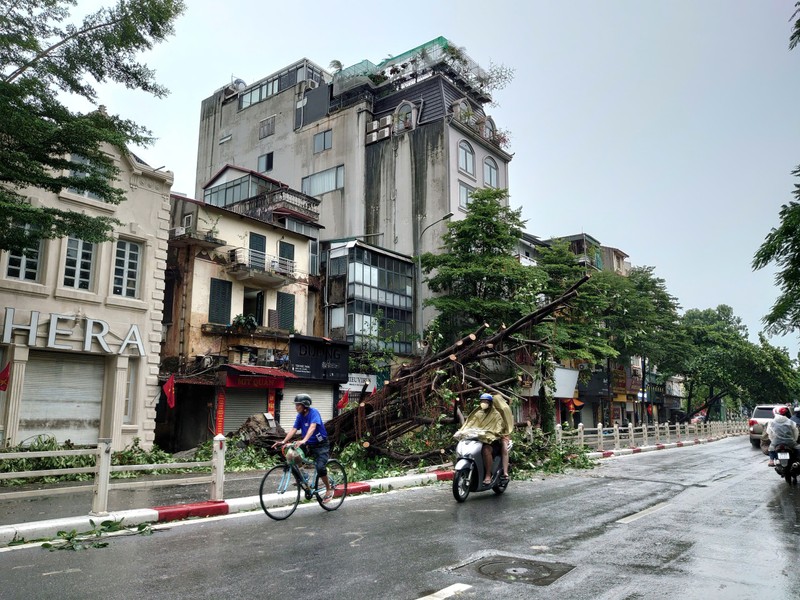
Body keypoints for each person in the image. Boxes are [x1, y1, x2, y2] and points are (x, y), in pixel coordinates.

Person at [273, 394, 333, 502]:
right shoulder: (300, 416)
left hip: (321, 445)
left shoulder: (314, 413)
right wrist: (283, 441)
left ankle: (329, 489)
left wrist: (304, 440)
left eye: (298, 405)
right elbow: (294, 429)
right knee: (292, 454)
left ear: (305, 405)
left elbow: (312, 427)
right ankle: (304, 475)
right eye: (296, 405)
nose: (296, 407)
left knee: (320, 468)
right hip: (309, 444)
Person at [456, 393, 504, 485]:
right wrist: (463, 431)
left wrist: (494, 432)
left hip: (491, 441)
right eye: (482, 401)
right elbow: (470, 424)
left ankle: (488, 474)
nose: (483, 403)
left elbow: (499, 427)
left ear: (490, 403)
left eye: (486, 402)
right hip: (477, 439)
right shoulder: (478, 413)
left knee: (486, 450)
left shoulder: (496, 415)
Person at [492, 393, 513, 481]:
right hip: (490, 434)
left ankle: (505, 472)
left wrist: (502, 433)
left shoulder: (505, 410)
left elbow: (509, 425)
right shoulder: (490, 410)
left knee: (504, 448)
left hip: (503, 434)